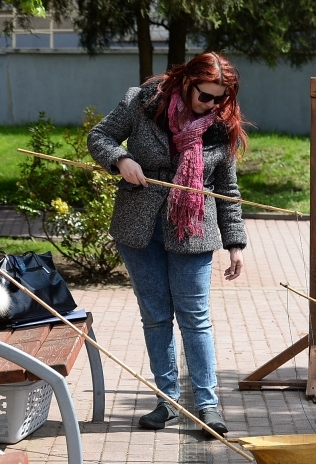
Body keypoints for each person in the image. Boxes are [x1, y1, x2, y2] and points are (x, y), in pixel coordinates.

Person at [87, 52, 250, 435]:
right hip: (139, 227)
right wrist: (121, 159)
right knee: (156, 316)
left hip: (194, 229)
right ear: (187, 83)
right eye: (205, 96)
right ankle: (168, 401)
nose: (212, 104)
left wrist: (235, 243)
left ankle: (207, 405)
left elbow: (226, 189)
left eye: (220, 98)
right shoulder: (142, 102)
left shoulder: (221, 124)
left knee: (195, 318)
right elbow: (99, 136)